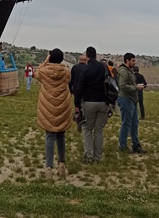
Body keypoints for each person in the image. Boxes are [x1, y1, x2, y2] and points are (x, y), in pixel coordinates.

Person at [34, 48, 72, 180]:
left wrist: (45, 61)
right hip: (62, 106)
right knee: (61, 135)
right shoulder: (66, 72)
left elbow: (35, 73)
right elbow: (69, 79)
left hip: (48, 105)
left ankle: (48, 167)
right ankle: (62, 164)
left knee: (50, 136)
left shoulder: (44, 72)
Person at [76, 46, 109, 163]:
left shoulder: (85, 69)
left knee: (87, 129)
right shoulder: (103, 66)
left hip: (89, 102)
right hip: (103, 102)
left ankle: (88, 155)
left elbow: (80, 87)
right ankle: (98, 156)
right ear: (96, 55)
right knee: (99, 130)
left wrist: (77, 103)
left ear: (87, 56)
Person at [117, 53, 147, 154]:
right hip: (126, 99)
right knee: (126, 123)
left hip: (132, 99)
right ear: (127, 60)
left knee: (134, 123)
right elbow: (123, 86)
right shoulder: (123, 71)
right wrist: (136, 87)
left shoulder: (129, 71)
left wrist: (135, 86)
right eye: (133, 61)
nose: (134, 62)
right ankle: (122, 146)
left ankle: (136, 145)